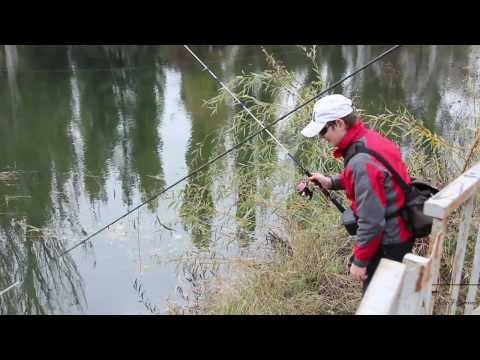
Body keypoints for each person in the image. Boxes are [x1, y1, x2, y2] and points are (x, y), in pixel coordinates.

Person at [301, 94, 414, 293]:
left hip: (388, 243)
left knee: (377, 304)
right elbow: (377, 179)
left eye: (323, 130)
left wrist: (360, 261)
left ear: (338, 123)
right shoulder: (369, 140)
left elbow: (371, 221)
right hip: (399, 233)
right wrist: (331, 182)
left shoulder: (360, 161)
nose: (322, 137)